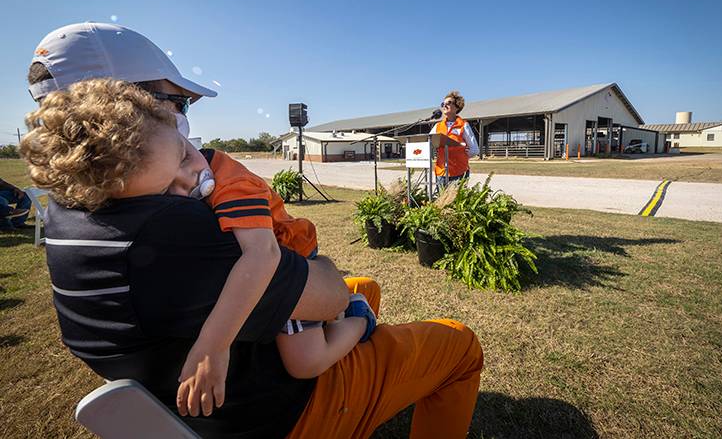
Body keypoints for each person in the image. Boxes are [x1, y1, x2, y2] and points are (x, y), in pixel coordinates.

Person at [22, 22, 484, 438]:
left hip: (210, 389)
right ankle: (361, 349)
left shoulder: (75, 210)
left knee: (363, 286)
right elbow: (316, 290)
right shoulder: (169, 228)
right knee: (457, 343)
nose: (187, 130)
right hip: (280, 413)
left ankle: (359, 332)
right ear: (123, 113)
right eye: (176, 103)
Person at [429, 91, 480, 188]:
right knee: (442, 200)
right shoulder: (437, 126)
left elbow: (474, 149)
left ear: (457, 107)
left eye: (448, 103)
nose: (445, 105)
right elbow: (428, 143)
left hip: (459, 171)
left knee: (457, 201)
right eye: (443, 104)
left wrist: (460, 156)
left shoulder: (463, 125)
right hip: (441, 172)